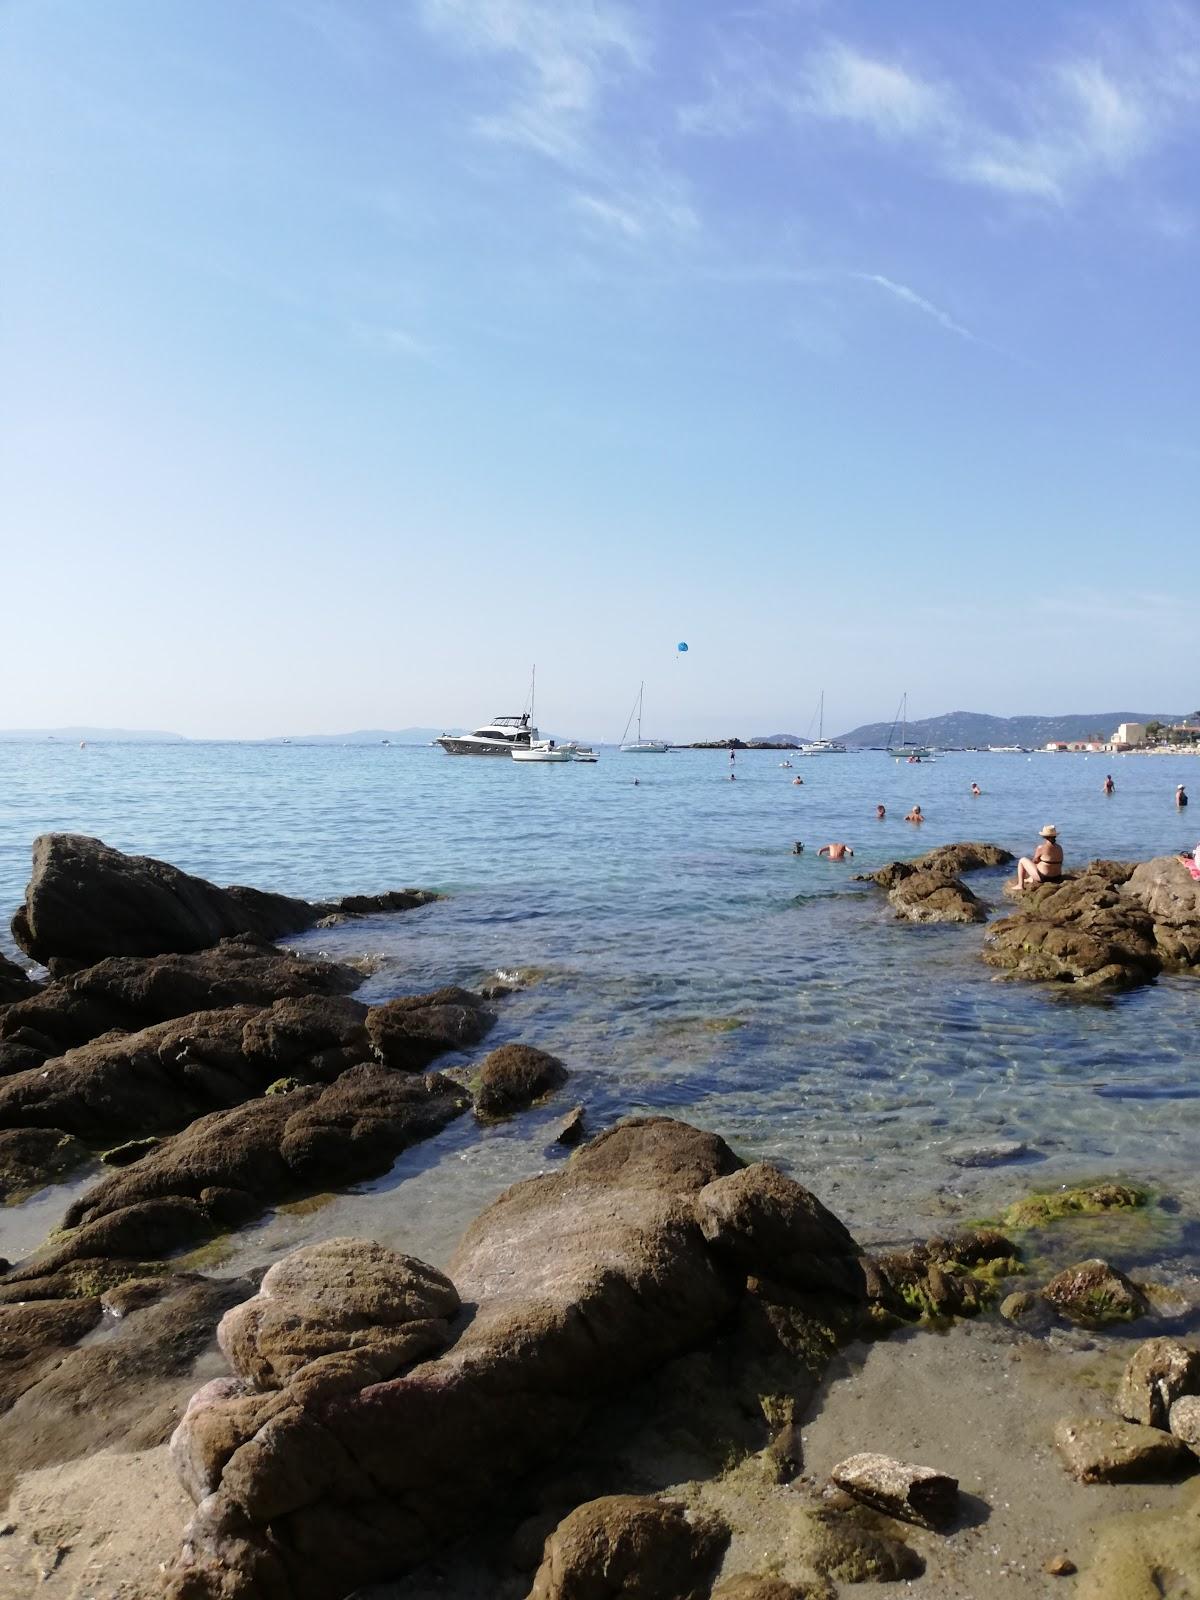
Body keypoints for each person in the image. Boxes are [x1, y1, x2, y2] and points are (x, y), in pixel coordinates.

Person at [1016, 824, 1063, 890]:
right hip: (1057, 877)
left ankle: (1020, 885)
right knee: (1044, 862)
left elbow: (1035, 861)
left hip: (1044, 877)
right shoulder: (1059, 847)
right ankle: (1030, 878)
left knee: (1022, 860)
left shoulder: (1041, 847)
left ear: (1044, 836)